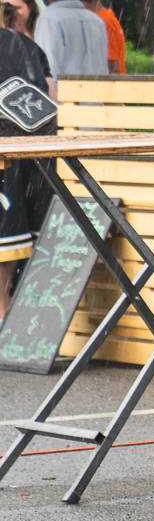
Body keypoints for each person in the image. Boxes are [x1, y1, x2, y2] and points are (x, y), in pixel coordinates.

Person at [0, 21, 53, 316]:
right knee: (22, 240)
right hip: (37, 153)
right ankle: (18, 322)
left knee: (7, 242)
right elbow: (51, 95)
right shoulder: (23, 43)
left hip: (9, 155)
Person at [30, 0, 108, 84]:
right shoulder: (97, 21)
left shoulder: (49, 19)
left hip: (64, 95)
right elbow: (102, 69)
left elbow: (48, 71)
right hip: (96, 94)